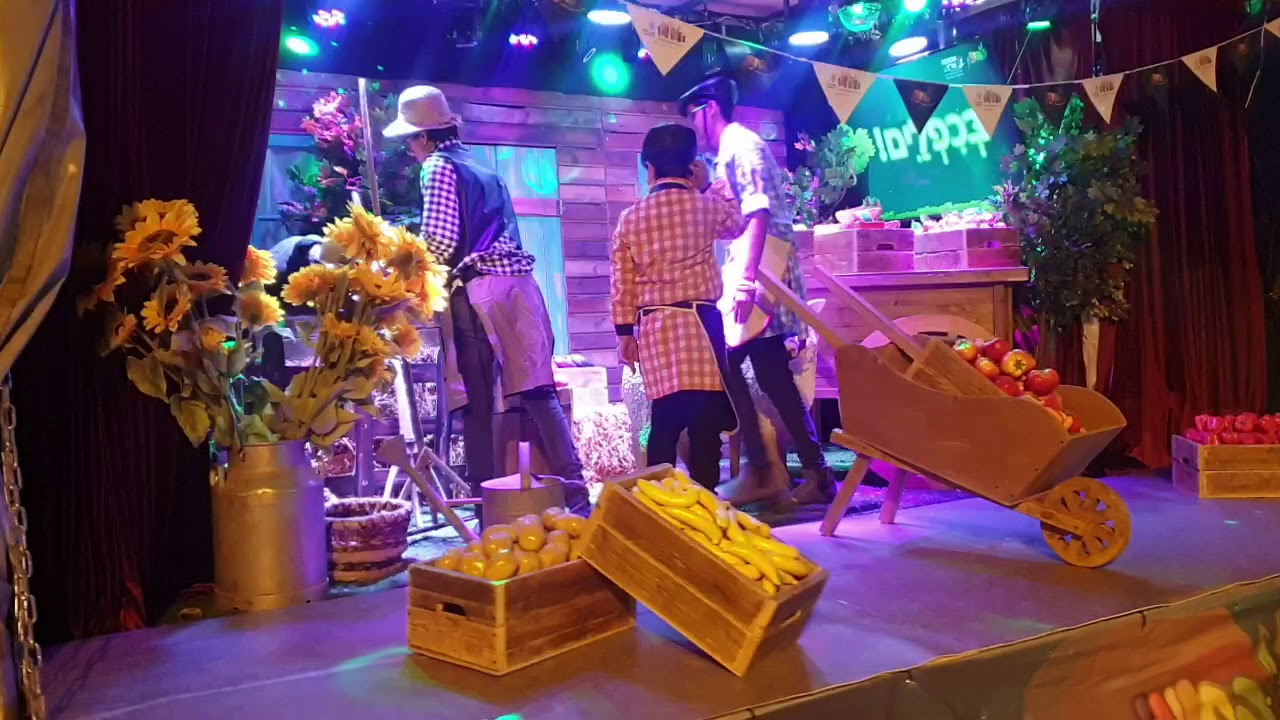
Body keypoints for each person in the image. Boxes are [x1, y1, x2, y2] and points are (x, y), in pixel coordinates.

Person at [383, 85, 589, 516]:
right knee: (539, 393)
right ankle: (577, 498)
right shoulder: (481, 166)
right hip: (520, 287)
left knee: (476, 403)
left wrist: (401, 274)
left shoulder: (437, 166)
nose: (410, 151)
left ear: (423, 137)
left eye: (410, 141)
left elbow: (441, 242)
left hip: (480, 291)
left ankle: (486, 512)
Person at [680, 76, 835, 506]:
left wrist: (746, 279)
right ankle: (815, 474)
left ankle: (763, 468)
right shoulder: (729, 152)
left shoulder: (742, 146)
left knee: (725, 359)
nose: (693, 127)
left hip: (761, 270)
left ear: (709, 109)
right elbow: (734, 214)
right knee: (771, 373)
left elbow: (758, 213)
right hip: (757, 267)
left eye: (692, 116)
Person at [610, 124, 744, 490]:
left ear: (649, 168)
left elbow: (622, 282)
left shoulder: (631, 219)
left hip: (657, 327)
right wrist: (710, 185)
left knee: (665, 419)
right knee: (705, 425)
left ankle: (658, 501)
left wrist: (624, 333)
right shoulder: (706, 206)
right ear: (692, 166)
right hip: (701, 324)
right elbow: (737, 224)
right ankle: (706, 500)